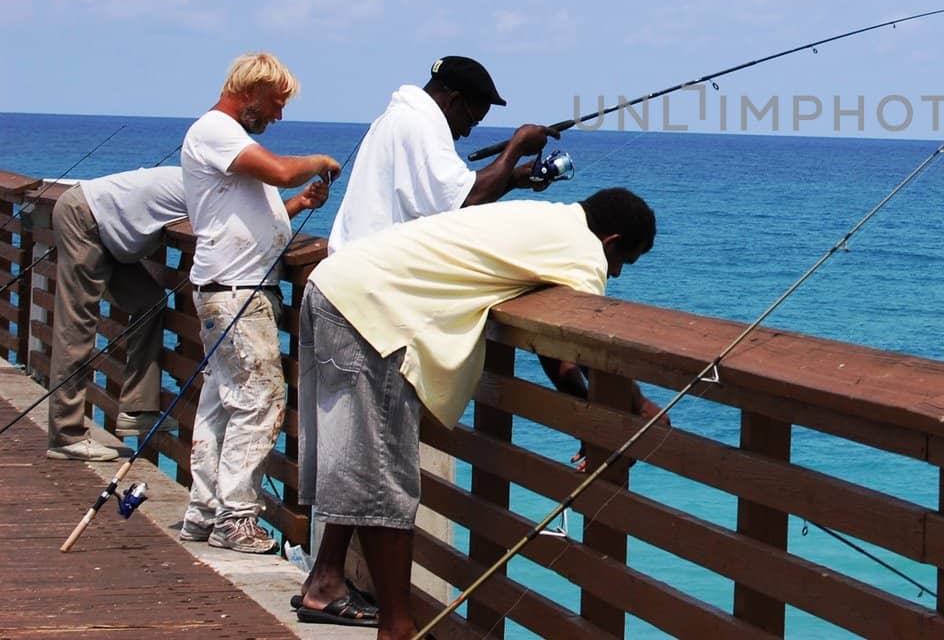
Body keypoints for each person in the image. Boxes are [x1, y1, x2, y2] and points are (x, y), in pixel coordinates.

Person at [296, 189, 662, 636]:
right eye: (625, 260)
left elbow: (563, 359)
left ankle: (326, 579)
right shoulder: (583, 251)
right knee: (385, 481)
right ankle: (398, 628)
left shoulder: (548, 219)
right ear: (611, 241)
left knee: (362, 461)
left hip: (336, 286)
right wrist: (638, 404)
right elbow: (590, 341)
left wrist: (588, 410)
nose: (618, 273)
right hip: (374, 311)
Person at [179, 52, 340, 555]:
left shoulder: (225, 139)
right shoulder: (216, 131)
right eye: (275, 104)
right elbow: (279, 171)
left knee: (222, 402)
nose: (278, 115)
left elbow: (245, 210)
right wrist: (316, 161)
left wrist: (298, 207)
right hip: (235, 293)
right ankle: (236, 518)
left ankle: (204, 512)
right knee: (262, 399)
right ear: (250, 93)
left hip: (229, 288)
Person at [326, 55, 555, 255]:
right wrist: (517, 146)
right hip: (362, 287)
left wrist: (512, 179)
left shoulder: (398, 117)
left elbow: (445, 200)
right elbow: (466, 200)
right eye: (471, 121)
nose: (466, 132)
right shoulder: (420, 124)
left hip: (344, 274)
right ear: (453, 100)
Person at [45, 165, 187, 461]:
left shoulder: (204, 182)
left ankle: (137, 408)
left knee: (150, 301)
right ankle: (65, 434)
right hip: (83, 217)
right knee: (76, 328)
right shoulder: (210, 190)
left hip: (106, 231)